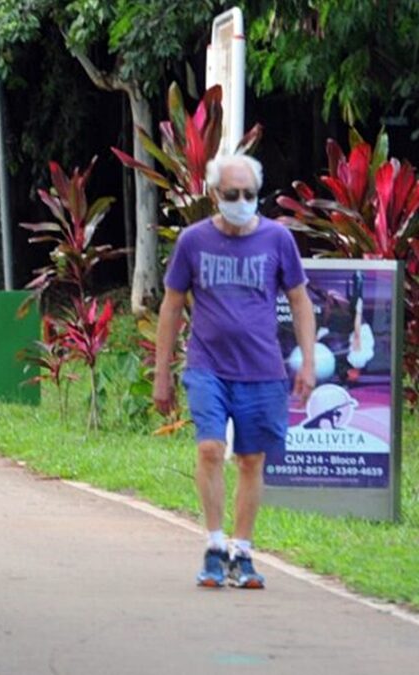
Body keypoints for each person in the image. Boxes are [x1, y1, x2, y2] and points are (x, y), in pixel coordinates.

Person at [153, 154, 315, 590]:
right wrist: (162, 373)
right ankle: (213, 543)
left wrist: (308, 364)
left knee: (251, 459)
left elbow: (300, 302)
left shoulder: (277, 240)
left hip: (262, 370)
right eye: (232, 194)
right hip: (208, 365)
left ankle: (242, 552)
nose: (241, 201)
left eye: (249, 194)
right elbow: (170, 306)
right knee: (209, 449)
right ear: (213, 195)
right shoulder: (193, 242)